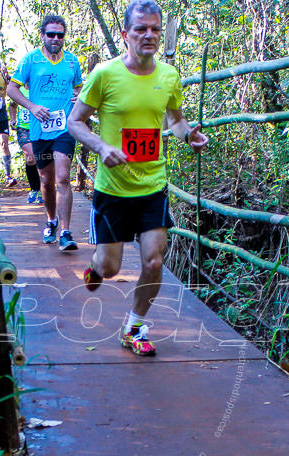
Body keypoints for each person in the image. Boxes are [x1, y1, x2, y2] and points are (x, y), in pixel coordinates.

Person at [68, 0, 208, 356]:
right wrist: (101, 147)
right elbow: (75, 121)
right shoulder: (105, 74)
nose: (148, 35)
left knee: (154, 260)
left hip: (152, 186)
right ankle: (96, 267)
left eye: (154, 29)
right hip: (113, 189)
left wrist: (189, 135)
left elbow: (175, 121)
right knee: (110, 268)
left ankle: (133, 327)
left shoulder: (169, 77)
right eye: (140, 29)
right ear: (125, 34)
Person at [8, 15, 83, 251]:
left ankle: (66, 232)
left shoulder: (72, 62)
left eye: (60, 35)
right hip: (39, 129)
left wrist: (79, 97)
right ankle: (51, 221)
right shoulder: (31, 60)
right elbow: (11, 88)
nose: (55, 39)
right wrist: (32, 107)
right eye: (51, 34)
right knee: (47, 181)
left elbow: (80, 87)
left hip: (64, 128)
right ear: (42, 35)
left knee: (62, 178)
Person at [10, 86, 43, 204]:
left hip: (40, 127)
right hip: (24, 129)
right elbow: (12, 105)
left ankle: (42, 189)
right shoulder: (18, 89)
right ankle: (34, 189)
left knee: (41, 158)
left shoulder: (40, 87)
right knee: (30, 157)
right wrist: (12, 119)